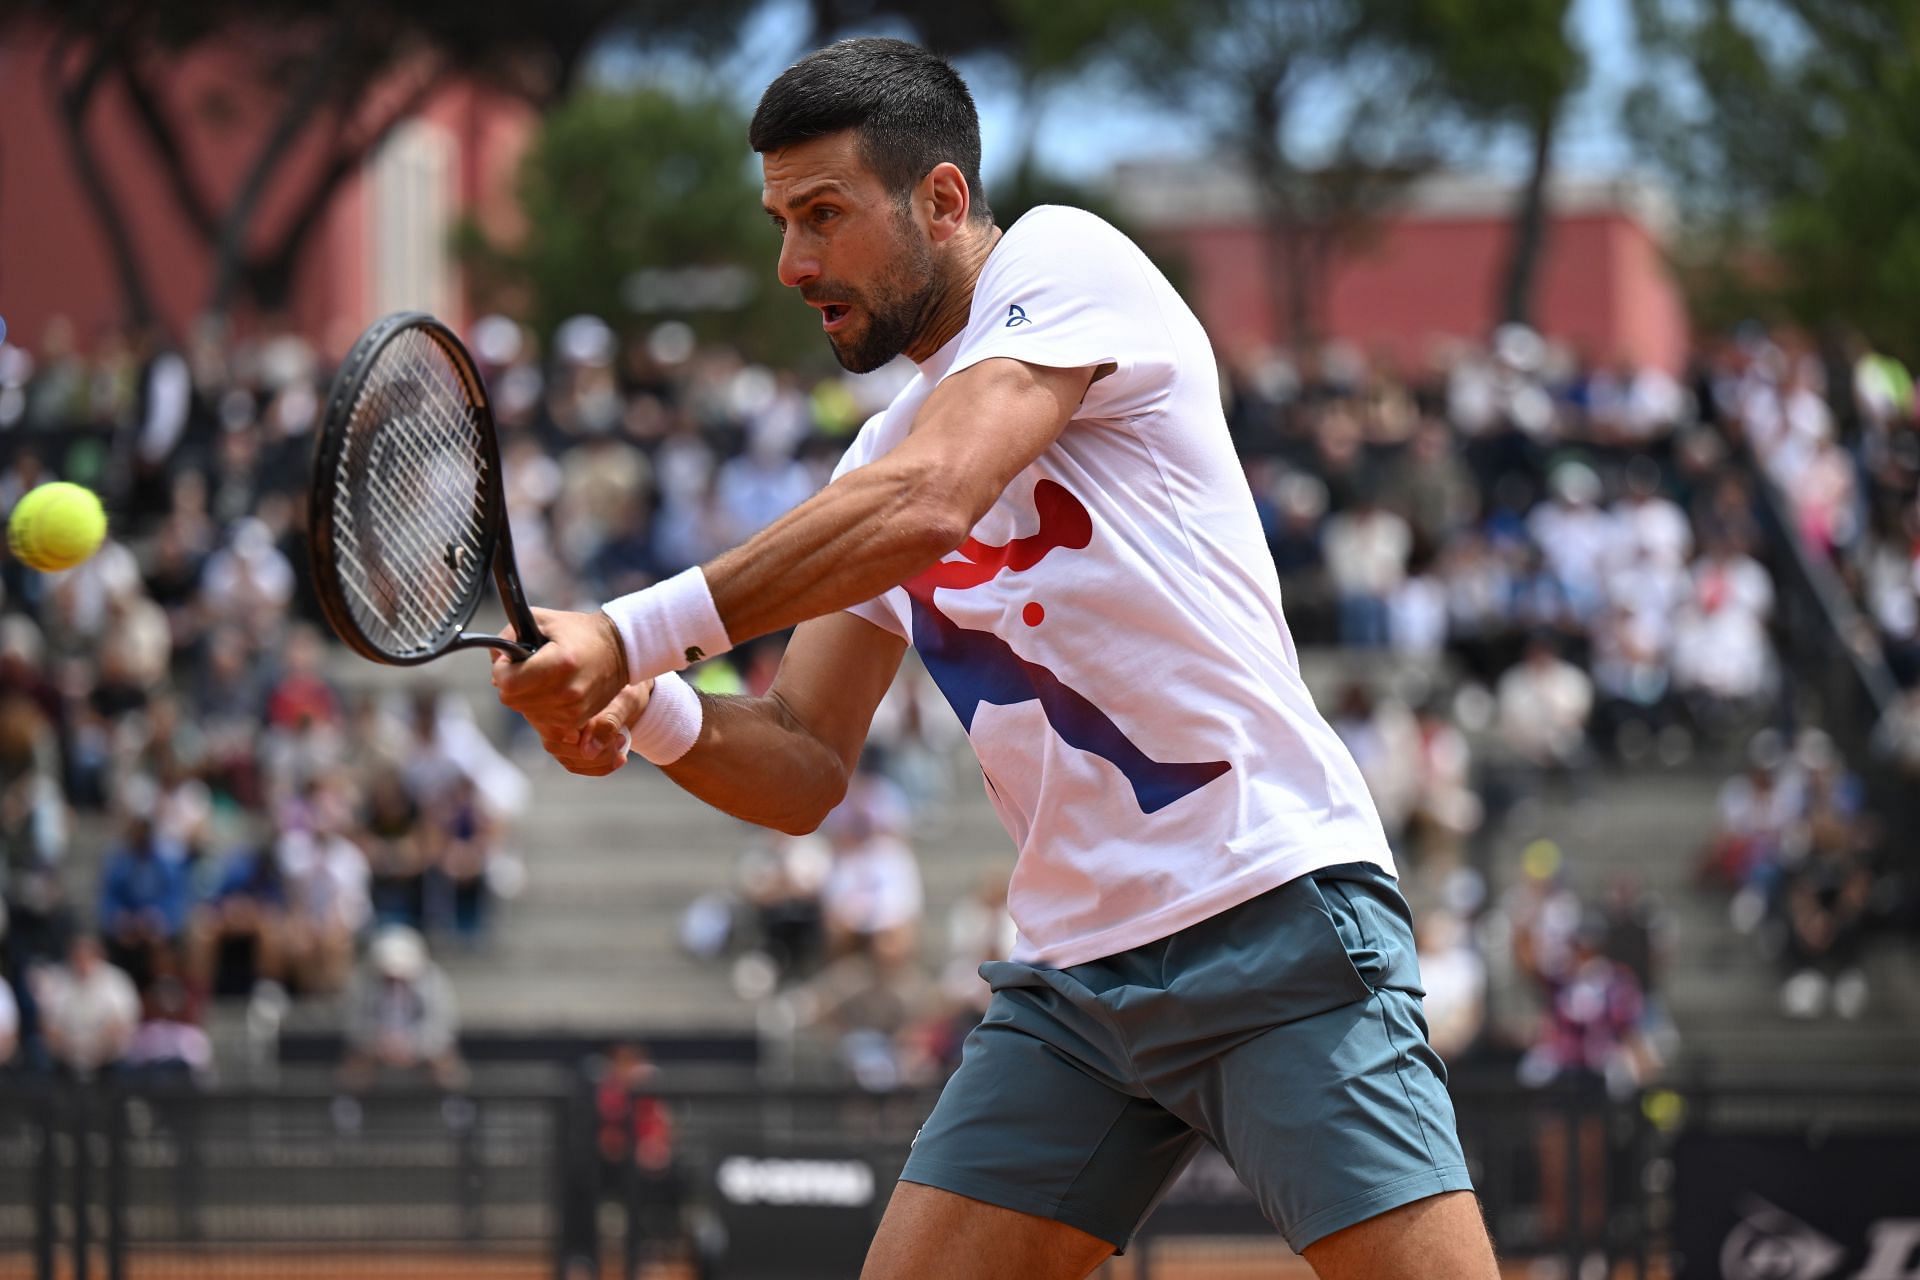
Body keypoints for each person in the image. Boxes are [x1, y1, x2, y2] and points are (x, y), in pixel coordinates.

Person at [493, 38, 1494, 1279]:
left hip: (1271, 908)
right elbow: (803, 762)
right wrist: (650, 708)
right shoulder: (869, 470)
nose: (793, 263)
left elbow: (933, 503)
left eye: (823, 214)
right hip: (1074, 985)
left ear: (944, 201)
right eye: (779, 221)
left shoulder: (1068, 263)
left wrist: (635, 629)